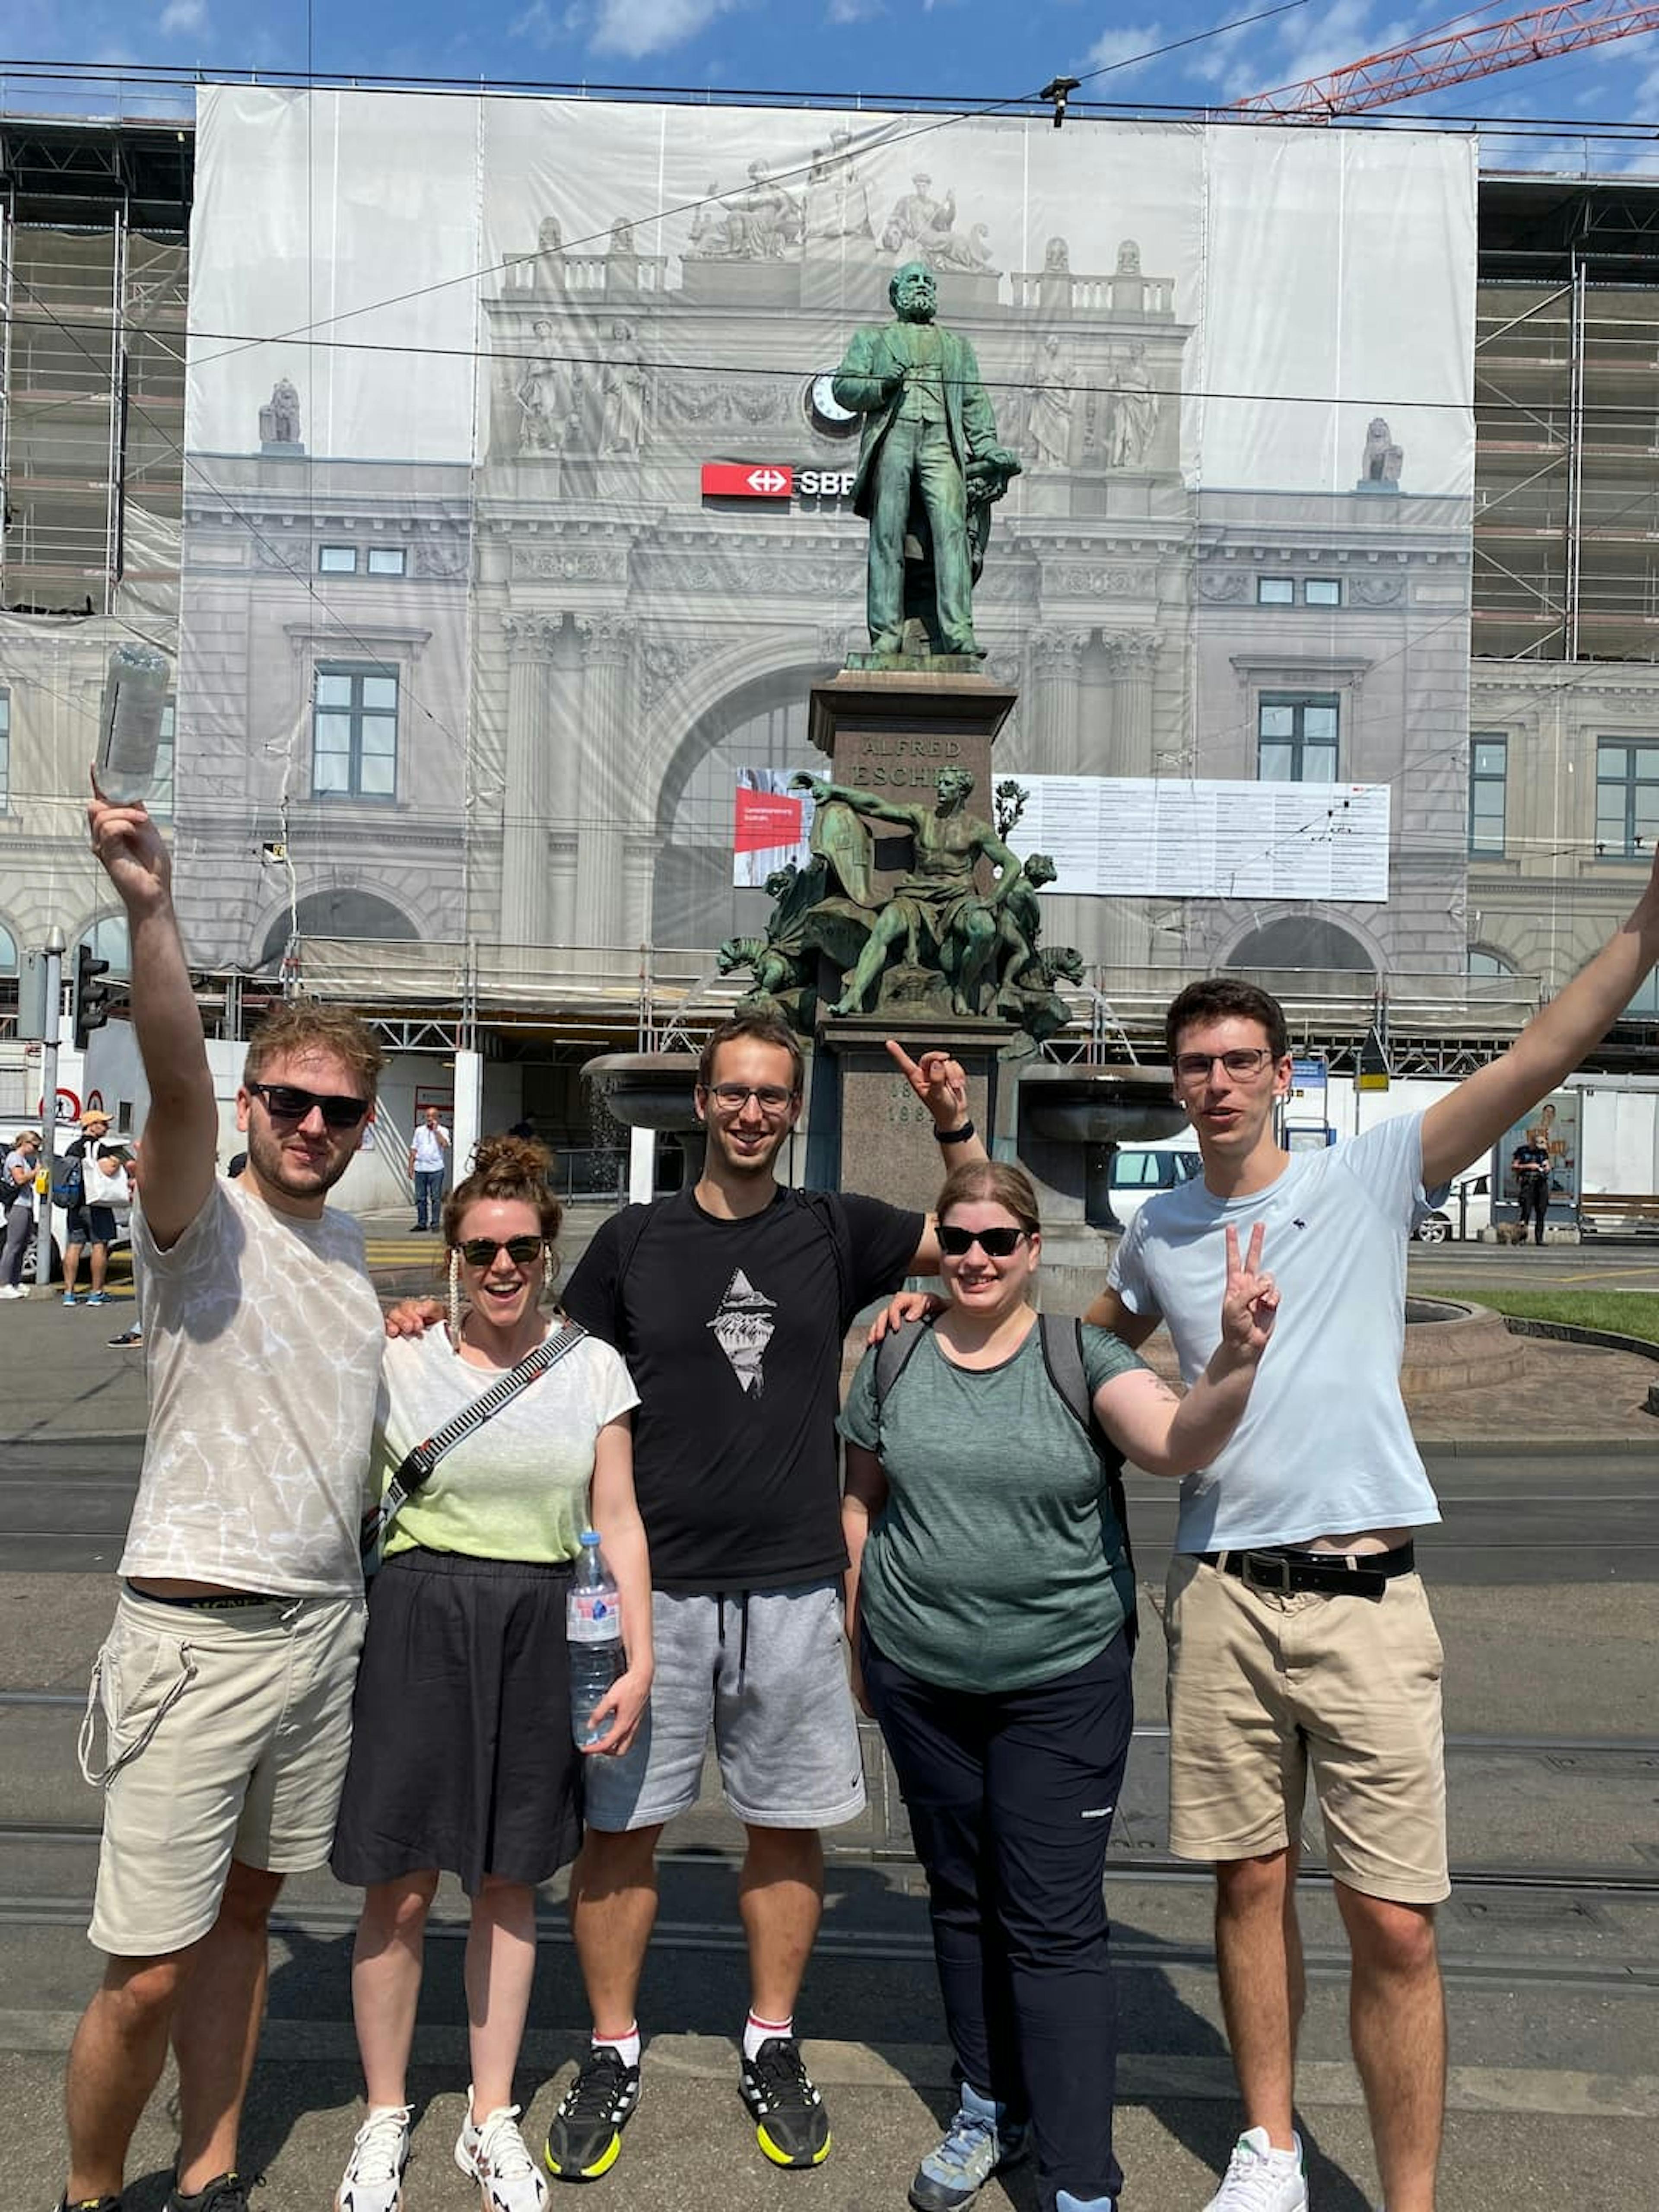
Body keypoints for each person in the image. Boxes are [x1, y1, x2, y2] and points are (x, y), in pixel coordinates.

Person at [1090, 842, 1659, 2212]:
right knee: (1246, 1885)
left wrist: (1644, 925)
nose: (1214, 1080)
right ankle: (1270, 2146)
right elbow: (1084, 1346)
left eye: (1237, 1057)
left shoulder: (1368, 1176)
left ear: (1278, 1071)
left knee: (1393, 1919)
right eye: (1194, 1062)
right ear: (1174, 1082)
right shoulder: (1153, 1229)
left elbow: (1540, 1051)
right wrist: (944, 1294)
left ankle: (1406, 2197)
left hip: (1363, 1595)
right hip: (1221, 1592)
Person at [536, 1011, 982, 2183]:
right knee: (619, 1832)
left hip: (791, 1586)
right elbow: (547, 1369)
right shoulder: (633, 1242)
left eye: (771, 1097)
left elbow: (989, 1232)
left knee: (785, 1829)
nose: (750, 1113)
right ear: (702, 1103)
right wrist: (428, 1320)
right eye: (732, 1093)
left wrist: (956, 1129)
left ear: (794, 1110)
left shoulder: (835, 1230)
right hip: (651, 1592)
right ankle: (613, 2046)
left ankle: (772, 2042)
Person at [55, 777, 387, 2212]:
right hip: (194, 1642)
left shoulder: (362, 1252)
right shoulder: (202, 1217)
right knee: (144, 1970)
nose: (314, 1125)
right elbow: (177, 1078)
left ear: (366, 1127)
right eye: (294, 1102)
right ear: (257, 1105)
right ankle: (83, 2192)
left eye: (340, 1111)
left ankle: (208, 2169)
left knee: (248, 1917)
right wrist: (152, 909)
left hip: (322, 1637)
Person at [842, 1162, 1278, 2212]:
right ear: (937, 1244)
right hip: (920, 1676)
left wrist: (1232, 1360)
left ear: (1034, 1250)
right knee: (959, 1901)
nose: (978, 1258)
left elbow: (1175, 1444)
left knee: (1049, 1923)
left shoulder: (1074, 1354)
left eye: (1000, 1240)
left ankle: (1081, 2179)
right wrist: (860, 1628)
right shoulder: (891, 1353)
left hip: (1058, 1681)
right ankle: (988, 2103)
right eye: (960, 1239)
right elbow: (859, 1500)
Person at [331, 1135, 652, 2212]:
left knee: (511, 1877)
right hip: (420, 1615)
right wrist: (383, 1320)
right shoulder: (399, 1357)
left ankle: (488, 2112)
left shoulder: (592, 1364)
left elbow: (616, 1515)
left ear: (548, 1251)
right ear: (451, 1258)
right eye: (480, 1250)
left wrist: (638, 1652)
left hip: (541, 1621)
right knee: (404, 1882)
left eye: (521, 1247)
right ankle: (385, 2115)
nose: (502, 1266)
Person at [831, 261, 1003, 658]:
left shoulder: (957, 347)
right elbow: (843, 388)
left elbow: (975, 402)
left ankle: (958, 632)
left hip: (941, 442)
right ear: (896, 294)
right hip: (895, 440)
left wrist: (988, 445)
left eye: (929, 281)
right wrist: (882, 383)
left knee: (952, 535)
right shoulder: (872, 339)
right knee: (887, 537)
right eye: (914, 280)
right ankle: (887, 635)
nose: (922, 286)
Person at [61, 1107, 119, 1307]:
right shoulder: (98, 1148)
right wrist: (116, 1161)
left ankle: (69, 1293)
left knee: (74, 1246)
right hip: (96, 1203)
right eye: (103, 1123)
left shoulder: (72, 1147)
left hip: (75, 1203)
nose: (106, 1127)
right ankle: (96, 1293)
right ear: (91, 1126)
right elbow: (108, 1169)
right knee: (99, 1245)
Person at [1, 1129, 41, 1299]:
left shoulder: (23, 1159)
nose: (36, 1150)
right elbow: (19, 1179)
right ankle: (4, 1283)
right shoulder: (15, 1158)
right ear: (25, 1143)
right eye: (35, 1146)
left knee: (23, 1245)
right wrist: (35, 1172)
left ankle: (15, 1281)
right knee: (14, 1245)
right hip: (18, 1205)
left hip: (26, 1204)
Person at [409, 1104, 451, 1233]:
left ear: (438, 1117)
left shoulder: (443, 1130)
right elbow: (414, 1149)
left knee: (435, 1198)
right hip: (420, 1168)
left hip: (436, 1169)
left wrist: (436, 1131)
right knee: (420, 1198)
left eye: (433, 1116)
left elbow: (445, 1145)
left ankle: (435, 1223)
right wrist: (411, 1166)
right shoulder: (419, 1131)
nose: (429, 1119)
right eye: (428, 1116)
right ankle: (422, 1223)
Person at [1511, 1126, 1551, 1244]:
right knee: (1526, 1211)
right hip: (1528, 1182)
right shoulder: (1522, 1151)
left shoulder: (1542, 1152)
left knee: (1541, 1211)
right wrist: (1529, 1166)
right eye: (1536, 1142)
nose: (1538, 1145)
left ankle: (1539, 1239)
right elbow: (1514, 1166)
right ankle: (1522, 1238)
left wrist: (1546, 1168)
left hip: (1541, 1182)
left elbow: (1547, 1164)